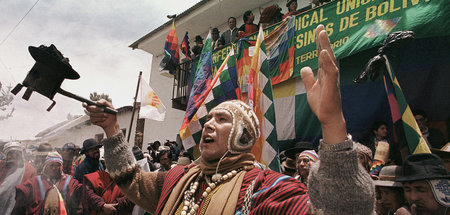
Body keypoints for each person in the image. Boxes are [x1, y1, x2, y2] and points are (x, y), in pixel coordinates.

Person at [84, 24, 375, 215]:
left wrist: (333, 125)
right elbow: (130, 180)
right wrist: (112, 128)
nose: (208, 124)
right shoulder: (176, 178)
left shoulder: (266, 188)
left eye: (222, 119)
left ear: (244, 136)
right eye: (209, 118)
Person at [13, 152, 83, 214]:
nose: (54, 168)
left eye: (57, 165)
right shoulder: (35, 182)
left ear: (61, 167)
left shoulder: (68, 181)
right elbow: (20, 204)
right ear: (45, 166)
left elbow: (79, 202)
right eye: (51, 165)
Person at [0, 142, 37, 214]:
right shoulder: (1, 166)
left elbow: (32, 194)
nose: (13, 156)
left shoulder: (29, 170)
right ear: (5, 155)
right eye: (10, 153)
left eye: (16, 154)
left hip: (18, 209)